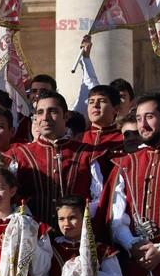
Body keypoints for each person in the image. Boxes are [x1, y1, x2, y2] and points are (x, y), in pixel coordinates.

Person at [102, 93, 160, 276]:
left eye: (149, 117)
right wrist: (133, 245)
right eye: (139, 118)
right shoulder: (125, 164)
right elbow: (115, 218)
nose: (142, 125)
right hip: (135, 265)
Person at [6, 91, 103, 227]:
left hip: (79, 237)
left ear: (66, 116)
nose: (45, 118)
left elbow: (98, 198)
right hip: (32, 236)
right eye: (40, 112)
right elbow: (9, 198)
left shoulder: (88, 153)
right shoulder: (18, 155)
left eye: (52, 111)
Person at [82, 85, 124, 180]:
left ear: (116, 109)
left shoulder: (124, 139)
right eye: (91, 102)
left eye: (102, 101)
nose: (95, 105)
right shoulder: (79, 137)